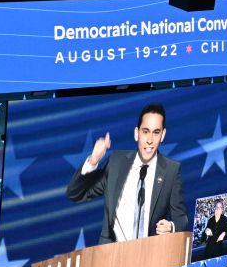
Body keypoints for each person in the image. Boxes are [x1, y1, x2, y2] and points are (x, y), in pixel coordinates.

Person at [65, 102, 188, 246]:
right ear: (136, 133)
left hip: (150, 258)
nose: (149, 140)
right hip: (111, 257)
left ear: (163, 135)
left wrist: (171, 227)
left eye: (156, 132)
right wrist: (93, 160)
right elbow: (75, 194)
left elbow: (181, 218)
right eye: (145, 131)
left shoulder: (171, 170)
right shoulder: (116, 163)